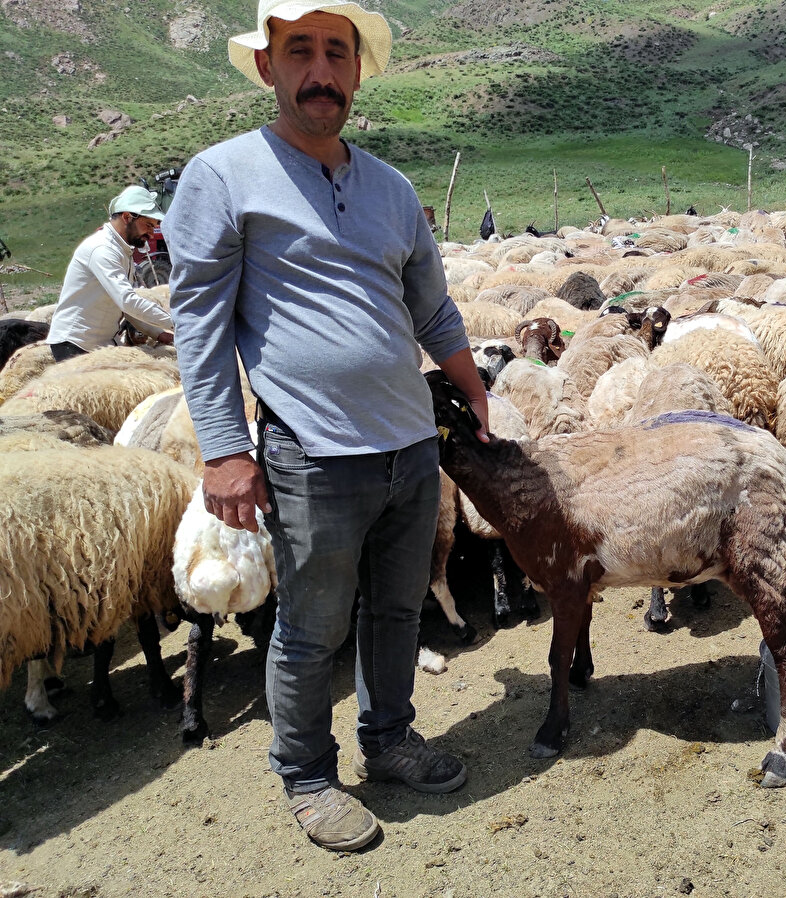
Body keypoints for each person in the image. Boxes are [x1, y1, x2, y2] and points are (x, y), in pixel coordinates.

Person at [162, 0, 490, 852]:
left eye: (335, 52)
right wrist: (225, 449)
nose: (320, 70)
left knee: (394, 611)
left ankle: (387, 743)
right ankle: (305, 772)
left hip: (410, 447)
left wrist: (475, 393)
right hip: (310, 453)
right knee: (311, 629)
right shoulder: (224, 174)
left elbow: (433, 309)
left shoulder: (391, 187)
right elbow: (198, 322)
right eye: (299, 49)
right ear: (268, 65)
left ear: (356, 70)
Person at [46, 185, 175, 361]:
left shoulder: (121, 250)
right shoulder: (102, 249)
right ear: (127, 217)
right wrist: (176, 323)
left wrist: (159, 333)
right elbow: (127, 301)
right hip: (77, 345)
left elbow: (124, 305)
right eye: (148, 225)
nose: (151, 233)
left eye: (154, 226)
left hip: (100, 344)